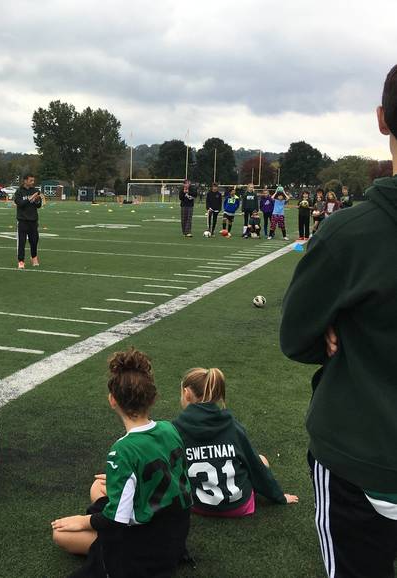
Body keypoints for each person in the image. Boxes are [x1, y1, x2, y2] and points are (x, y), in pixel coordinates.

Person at [280, 64, 397, 578]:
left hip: (359, 456)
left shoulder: (350, 233)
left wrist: (338, 330)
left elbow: (297, 336)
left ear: (381, 120)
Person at [51, 348, 191, 578]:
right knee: (97, 488)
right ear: (153, 398)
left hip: (148, 546)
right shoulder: (169, 428)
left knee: (61, 535)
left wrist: (84, 521)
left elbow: (116, 520)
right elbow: (172, 477)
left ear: (112, 400)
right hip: (176, 530)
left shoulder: (123, 450)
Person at [173, 367, 298, 517]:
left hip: (197, 506)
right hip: (239, 506)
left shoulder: (174, 429)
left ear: (186, 393)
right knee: (262, 460)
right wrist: (279, 496)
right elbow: (255, 465)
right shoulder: (232, 426)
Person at [14, 173, 43, 268]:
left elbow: (38, 205)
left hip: (33, 220)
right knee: (21, 242)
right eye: (31, 180)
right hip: (22, 220)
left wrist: (37, 200)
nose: (32, 182)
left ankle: (34, 257)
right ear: (25, 180)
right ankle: (21, 260)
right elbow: (20, 203)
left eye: (33, 180)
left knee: (34, 241)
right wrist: (30, 198)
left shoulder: (35, 190)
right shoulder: (19, 191)